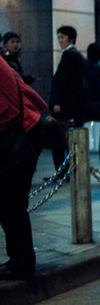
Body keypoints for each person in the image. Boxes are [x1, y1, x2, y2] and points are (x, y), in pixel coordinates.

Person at [0, 56, 48, 280]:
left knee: (10, 203)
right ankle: (21, 260)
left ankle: (22, 262)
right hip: (25, 131)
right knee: (11, 203)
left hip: (18, 136)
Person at [47, 25, 87, 168]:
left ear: (71, 39)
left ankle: (61, 170)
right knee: (70, 138)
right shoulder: (79, 56)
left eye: (62, 37)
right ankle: (70, 169)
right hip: (75, 105)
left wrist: (57, 101)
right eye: (58, 37)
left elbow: (62, 80)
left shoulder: (68, 55)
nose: (60, 41)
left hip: (65, 106)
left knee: (59, 138)